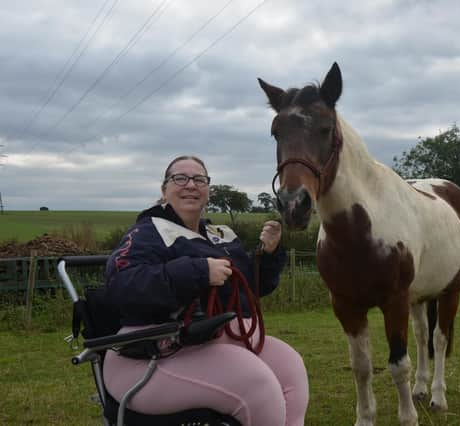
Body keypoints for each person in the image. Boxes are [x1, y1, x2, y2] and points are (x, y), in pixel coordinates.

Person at [102, 155, 309, 426]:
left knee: (291, 366)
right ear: (164, 190)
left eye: (199, 179)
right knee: (258, 385)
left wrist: (267, 255)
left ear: (208, 190)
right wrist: (198, 272)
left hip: (213, 343)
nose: (191, 185)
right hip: (153, 353)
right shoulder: (147, 233)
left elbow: (249, 289)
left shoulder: (219, 235)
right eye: (180, 178)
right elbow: (122, 285)